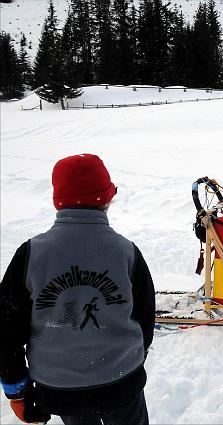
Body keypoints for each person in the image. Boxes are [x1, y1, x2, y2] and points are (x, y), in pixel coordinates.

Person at [0, 154, 155, 425]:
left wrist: (18, 391)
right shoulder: (126, 252)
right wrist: (131, 359)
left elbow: (5, 330)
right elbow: (145, 319)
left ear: (58, 201)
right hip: (120, 382)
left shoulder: (30, 254)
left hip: (59, 389)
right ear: (107, 199)